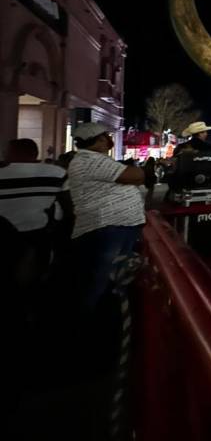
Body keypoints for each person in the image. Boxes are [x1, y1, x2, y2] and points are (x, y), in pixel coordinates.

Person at [66, 123, 146, 314]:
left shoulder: (92, 160)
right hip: (108, 228)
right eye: (106, 136)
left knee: (109, 276)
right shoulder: (91, 160)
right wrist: (136, 174)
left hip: (112, 227)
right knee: (104, 278)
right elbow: (136, 175)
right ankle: (95, 320)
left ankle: (103, 314)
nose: (109, 139)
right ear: (99, 139)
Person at [0, 138, 72, 321]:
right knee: (34, 282)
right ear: (35, 153)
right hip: (38, 234)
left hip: (4, 235)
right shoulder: (56, 173)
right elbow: (70, 206)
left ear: (11, 153)